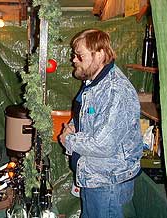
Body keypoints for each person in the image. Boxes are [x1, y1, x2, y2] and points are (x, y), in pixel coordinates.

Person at [59, 29, 143, 218]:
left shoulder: (116, 91)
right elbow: (86, 114)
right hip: (94, 177)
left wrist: (69, 139)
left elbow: (103, 144)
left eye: (79, 56)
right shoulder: (94, 82)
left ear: (101, 55)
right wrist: (74, 125)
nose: (74, 60)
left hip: (109, 183)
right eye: (74, 55)